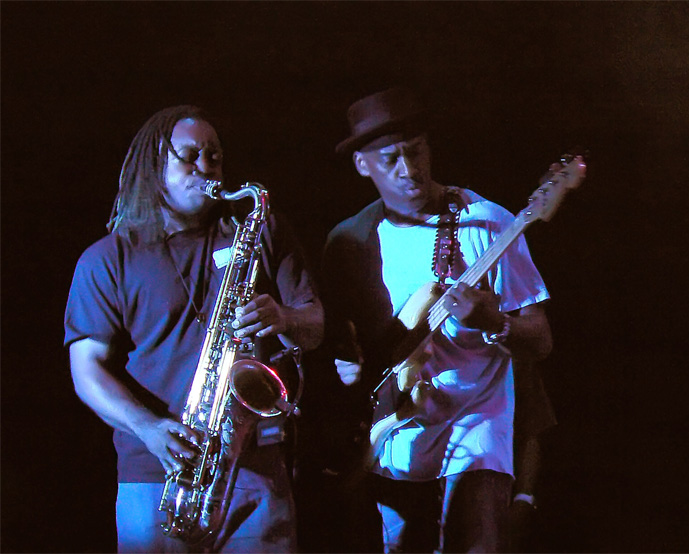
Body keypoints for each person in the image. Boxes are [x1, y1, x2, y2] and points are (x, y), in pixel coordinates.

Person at [64, 105, 324, 553]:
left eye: (214, 155)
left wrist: (284, 318)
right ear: (154, 164)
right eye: (190, 156)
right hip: (158, 475)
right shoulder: (108, 258)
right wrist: (148, 428)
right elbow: (86, 371)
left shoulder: (258, 231)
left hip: (256, 468)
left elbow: (315, 325)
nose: (206, 167)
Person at [321, 87, 561, 553]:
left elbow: (541, 340)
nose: (408, 170)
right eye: (390, 159)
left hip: (477, 427)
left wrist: (493, 321)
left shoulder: (488, 222)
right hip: (397, 432)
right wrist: (345, 364)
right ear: (362, 165)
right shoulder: (351, 242)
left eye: (415, 152)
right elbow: (338, 345)